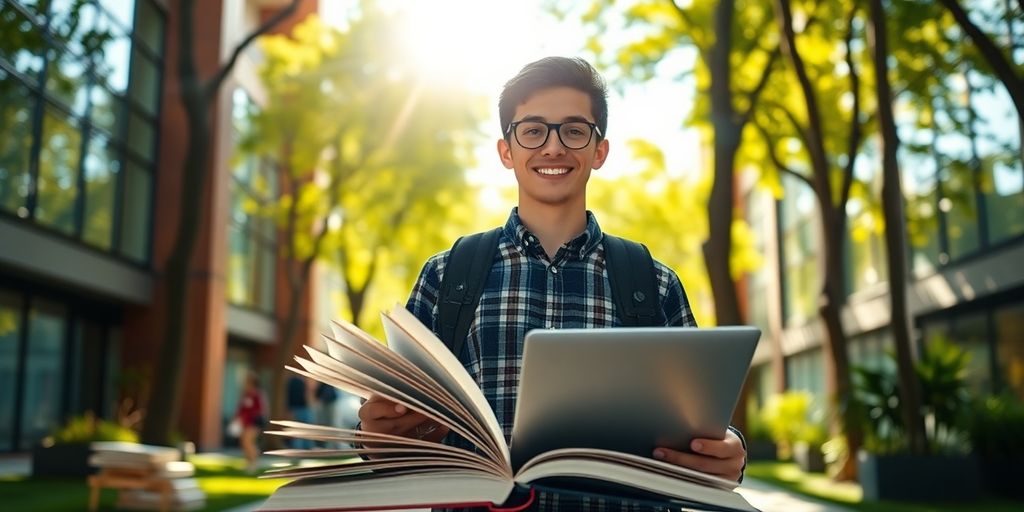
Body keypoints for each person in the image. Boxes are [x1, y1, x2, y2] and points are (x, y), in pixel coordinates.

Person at [357, 56, 747, 510]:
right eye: (533, 130)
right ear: (507, 151)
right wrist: (374, 434)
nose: (554, 147)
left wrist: (730, 450)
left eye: (575, 130)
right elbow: (398, 430)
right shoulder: (446, 277)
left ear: (599, 151)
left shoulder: (654, 283)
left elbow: (700, 416)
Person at [235, 372, 266, 474]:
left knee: (248, 442)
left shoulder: (257, 394)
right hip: (245, 422)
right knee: (244, 443)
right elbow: (241, 408)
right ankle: (249, 462)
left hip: (254, 422)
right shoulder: (245, 394)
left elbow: (260, 409)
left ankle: (254, 463)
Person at [286, 375, 314, 449]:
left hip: (295, 409)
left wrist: (289, 410)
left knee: (298, 430)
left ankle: (298, 450)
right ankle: (307, 449)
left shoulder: (291, 381)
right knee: (306, 429)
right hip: (303, 408)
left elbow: (288, 397)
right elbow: (307, 395)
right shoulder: (303, 381)